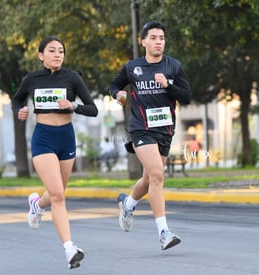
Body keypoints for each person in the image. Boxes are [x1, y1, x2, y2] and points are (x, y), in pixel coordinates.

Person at [12, 36, 98, 269]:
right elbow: (17, 99)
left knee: (56, 191)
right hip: (43, 138)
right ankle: (69, 248)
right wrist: (20, 110)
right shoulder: (31, 79)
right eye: (52, 50)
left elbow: (93, 109)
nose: (58, 54)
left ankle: (38, 205)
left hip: (66, 137)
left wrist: (73, 106)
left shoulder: (72, 78)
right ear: (41, 55)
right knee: (58, 194)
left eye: (61, 50)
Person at [109, 21, 192, 250]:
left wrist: (168, 86)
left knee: (148, 180)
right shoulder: (132, 68)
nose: (158, 42)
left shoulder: (173, 66)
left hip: (165, 129)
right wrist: (118, 94)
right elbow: (113, 85)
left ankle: (128, 204)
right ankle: (164, 232)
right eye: (153, 38)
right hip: (141, 129)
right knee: (157, 175)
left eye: (162, 38)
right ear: (143, 41)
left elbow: (186, 96)